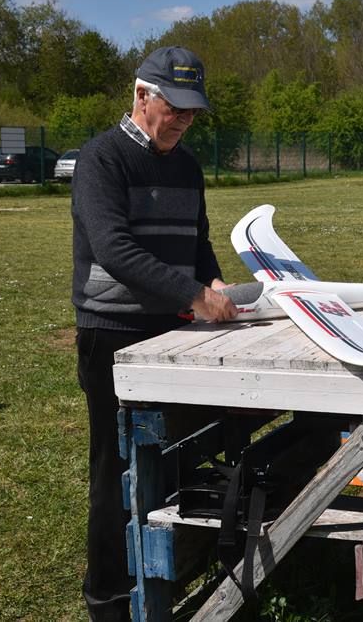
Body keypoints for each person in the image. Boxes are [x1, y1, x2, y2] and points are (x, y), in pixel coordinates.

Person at [72, 45, 238, 621]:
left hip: (175, 332)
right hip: (112, 333)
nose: (186, 119)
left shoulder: (188, 165)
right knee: (114, 470)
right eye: (176, 107)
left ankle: (170, 573)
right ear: (142, 96)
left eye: (194, 109)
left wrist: (212, 278)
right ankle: (109, 598)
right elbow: (114, 249)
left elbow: (197, 241)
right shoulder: (102, 160)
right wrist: (194, 294)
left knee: (179, 457)